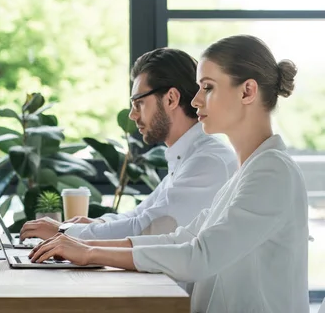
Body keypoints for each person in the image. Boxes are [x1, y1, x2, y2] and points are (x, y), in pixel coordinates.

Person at [29, 35, 310, 313]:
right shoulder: (247, 172)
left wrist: (90, 251)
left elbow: (197, 256)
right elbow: (179, 239)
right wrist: (81, 244)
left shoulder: (272, 172)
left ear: (247, 91)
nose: (196, 99)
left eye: (207, 88)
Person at [20, 47, 237, 242]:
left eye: (139, 103)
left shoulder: (208, 160)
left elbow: (150, 227)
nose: (132, 115)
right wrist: (95, 224)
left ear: (171, 99)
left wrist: (64, 232)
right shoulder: (188, 155)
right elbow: (140, 214)